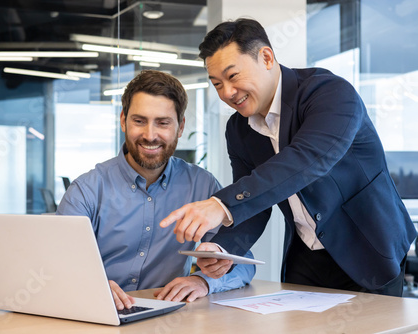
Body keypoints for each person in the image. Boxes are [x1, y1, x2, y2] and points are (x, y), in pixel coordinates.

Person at [160, 18, 417, 296]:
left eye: (233, 76)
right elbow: (254, 202)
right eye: (217, 84)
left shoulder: (330, 94)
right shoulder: (239, 130)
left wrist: (220, 205)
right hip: (305, 255)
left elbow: (307, 160)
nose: (227, 93)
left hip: (369, 247)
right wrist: (222, 248)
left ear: (267, 58)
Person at [57, 70, 255, 310]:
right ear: (123, 120)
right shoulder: (86, 190)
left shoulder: (202, 186)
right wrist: (87, 284)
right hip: (97, 314)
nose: (150, 136)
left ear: (180, 127)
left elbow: (243, 261)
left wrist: (203, 281)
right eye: (139, 121)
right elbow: (56, 265)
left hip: (166, 317)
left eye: (162, 123)